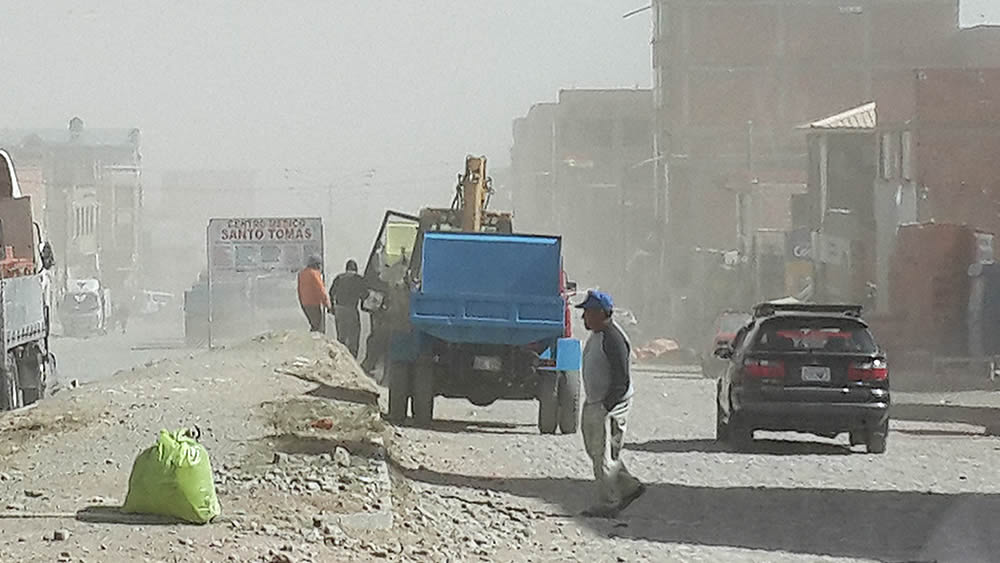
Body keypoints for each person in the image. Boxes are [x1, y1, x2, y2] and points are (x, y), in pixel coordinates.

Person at [576, 289, 646, 518]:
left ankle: (609, 503)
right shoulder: (599, 335)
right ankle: (629, 487)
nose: (583, 318)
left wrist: (606, 407)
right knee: (599, 452)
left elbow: (621, 380)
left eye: (587, 313)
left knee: (602, 454)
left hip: (609, 406)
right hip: (597, 403)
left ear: (599, 313)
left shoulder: (613, 339)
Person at [329, 259, 367, 357]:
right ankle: (352, 361)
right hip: (351, 310)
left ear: (346, 268)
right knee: (353, 337)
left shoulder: (339, 277)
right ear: (356, 269)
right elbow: (365, 294)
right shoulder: (358, 279)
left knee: (341, 337)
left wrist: (332, 308)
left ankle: (340, 360)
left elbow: (331, 293)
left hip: (339, 310)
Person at [297, 255, 329, 333]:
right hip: (314, 304)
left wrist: (301, 303)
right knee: (318, 328)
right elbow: (321, 290)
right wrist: (327, 304)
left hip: (305, 304)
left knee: (314, 325)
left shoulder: (302, 274)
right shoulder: (314, 274)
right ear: (317, 264)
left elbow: (299, 290)